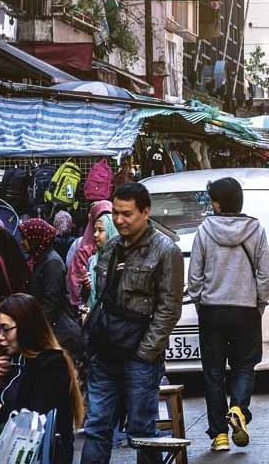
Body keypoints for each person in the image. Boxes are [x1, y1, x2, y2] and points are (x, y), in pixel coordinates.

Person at [79, 183, 185, 464]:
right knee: (96, 427)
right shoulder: (110, 248)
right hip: (105, 354)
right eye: (115, 213)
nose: (119, 220)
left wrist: (145, 352)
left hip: (140, 358)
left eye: (127, 214)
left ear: (145, 212)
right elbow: (101, 298)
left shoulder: (166, 251)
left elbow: (169, 309)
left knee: (142, 431)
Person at [186, 177, 269, 452]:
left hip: (212, 310)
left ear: (217, 204)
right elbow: (264, 275)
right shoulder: (256, 229)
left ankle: (219, 436)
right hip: (246, 310)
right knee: (244, 365)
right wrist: (260, 303)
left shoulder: (204, 231)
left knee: (213, 373)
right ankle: (237, 409)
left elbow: (194, 275)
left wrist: (199, 301)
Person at [0, 294, 82, 464]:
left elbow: (30, 420)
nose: (0, 336)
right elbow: (9, 404)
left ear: (27, 327)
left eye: (6, 329)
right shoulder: (18, 360)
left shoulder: (52, 363)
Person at [19, 217, 88, 365]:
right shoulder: (37, 259)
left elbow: (50, 303)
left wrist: (36, 330)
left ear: (35, 238)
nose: (22, 242)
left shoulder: (52, 263)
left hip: (59, 332)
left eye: (25, 238)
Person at [68, 200, 114, 310]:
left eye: (101, 230)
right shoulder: (87, 255)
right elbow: (76, 286)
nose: (96, 234)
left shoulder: (122, 257)